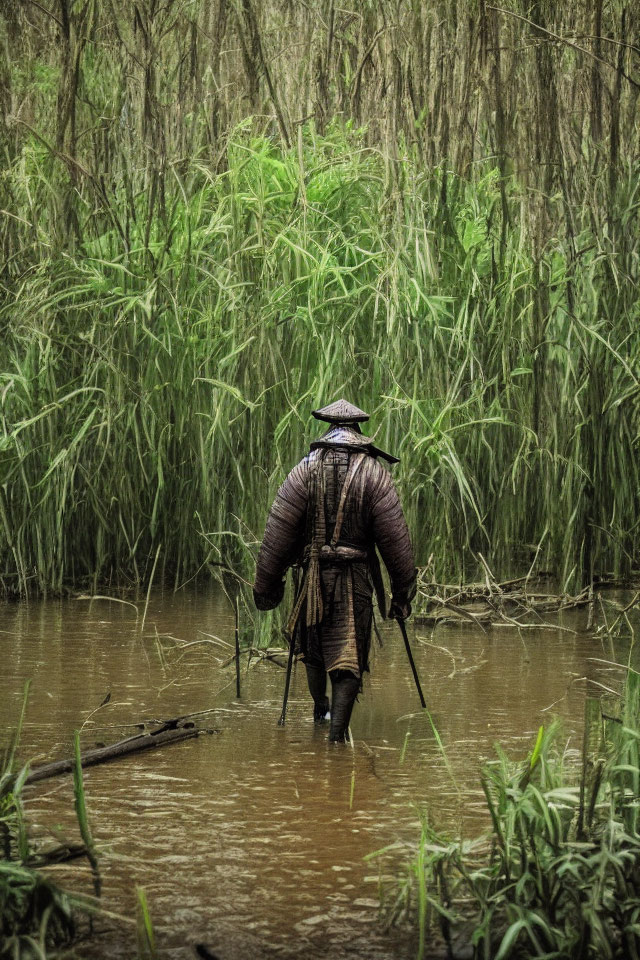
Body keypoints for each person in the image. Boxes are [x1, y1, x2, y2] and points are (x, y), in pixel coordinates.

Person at [253, 399, 416, 742]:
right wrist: (402, 594)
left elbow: (277, 534)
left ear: (327, 429)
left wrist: (266, 586)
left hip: (312, 577)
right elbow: (396, 543)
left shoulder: (305, 470)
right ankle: (336, 738)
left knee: (313, 650)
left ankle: (321, 712)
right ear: (358, 431)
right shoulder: (375, 474)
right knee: (348, 657)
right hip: (354, 580)